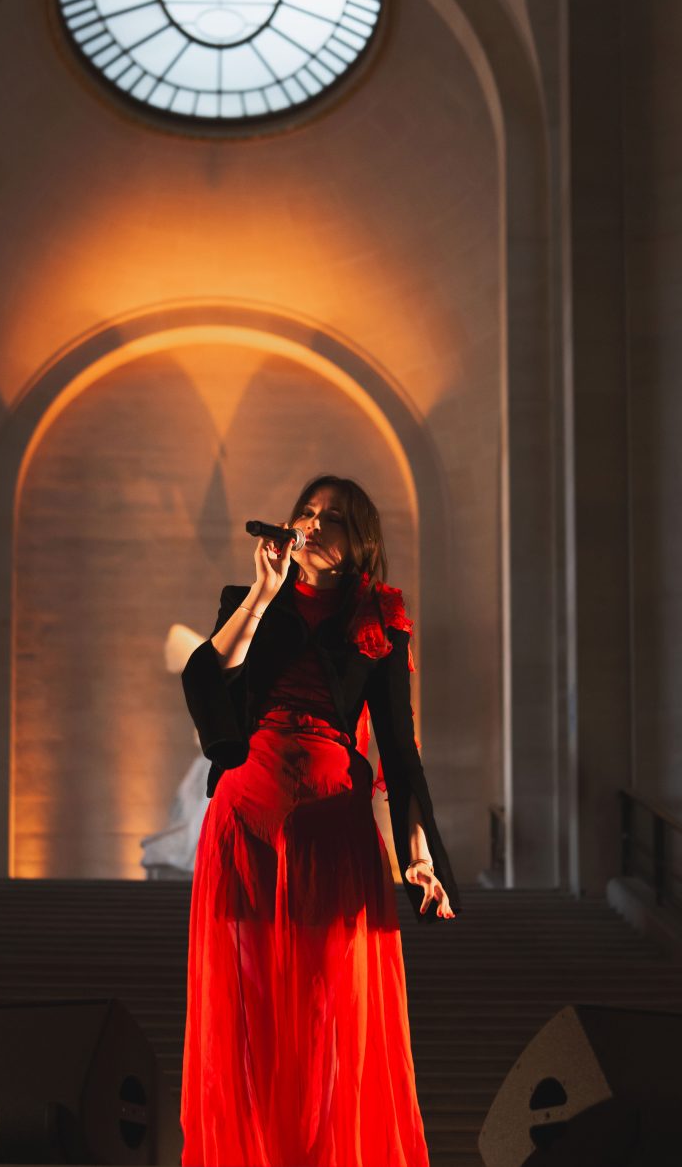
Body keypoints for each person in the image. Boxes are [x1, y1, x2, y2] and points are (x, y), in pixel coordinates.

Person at [179, 475, 456, 1167]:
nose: (313, 522)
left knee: (327, 1011)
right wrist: (263, 593)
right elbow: (205, 680)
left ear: (359, 541)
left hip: (331, 832)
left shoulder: (378, 619)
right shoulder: (249, 603)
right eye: (307, 510)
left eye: (333, 516)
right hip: (245, 824)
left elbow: (399, 749)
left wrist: (418, 854)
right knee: (249, 1015)